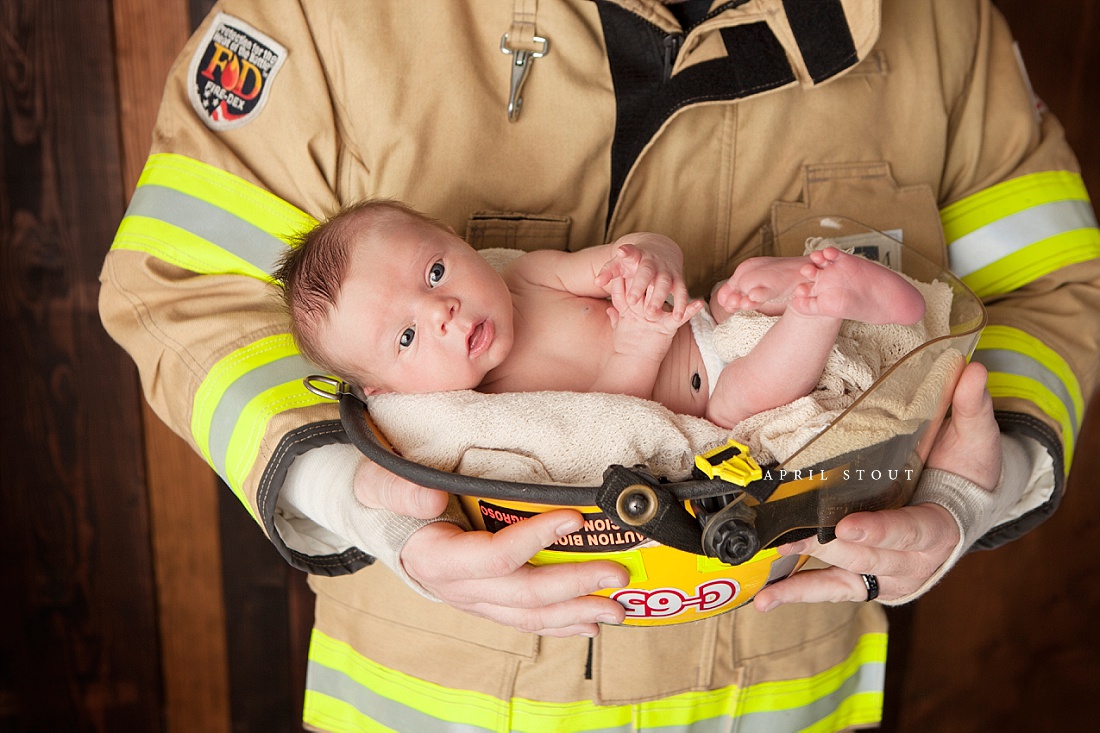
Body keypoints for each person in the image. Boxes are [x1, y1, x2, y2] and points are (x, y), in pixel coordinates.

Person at [98, 0, 1100, 730]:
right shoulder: (325, 18)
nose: (444, 305)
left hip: (780, 698)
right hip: (437, 705)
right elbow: (188, 287)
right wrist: (365, 499)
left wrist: (977, 487)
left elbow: (1052, 288)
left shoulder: (938, 27)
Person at [275, 198, 927, 431]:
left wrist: (647, 263)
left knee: (736, 288)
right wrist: (639, 342)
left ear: (456, 237)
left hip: (708, 325)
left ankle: (827, 286)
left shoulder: (525, 275)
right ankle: (821, 305)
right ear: (385, 391)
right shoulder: (496, 415)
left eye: (436, 272)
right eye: (409, 335)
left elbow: (631, 251)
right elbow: (606, 427)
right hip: (712, 396)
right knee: (742, 401)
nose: (443, 310)